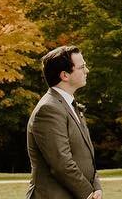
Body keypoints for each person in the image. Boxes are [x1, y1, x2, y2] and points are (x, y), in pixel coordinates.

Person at [26, 45, 101, 199]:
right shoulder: (48, 109)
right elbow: (61, 163)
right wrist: (88, 193)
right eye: (82, 67)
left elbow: (86, 154)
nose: (87, 71)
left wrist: (96, 185)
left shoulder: (69, 105)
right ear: (65, 75)